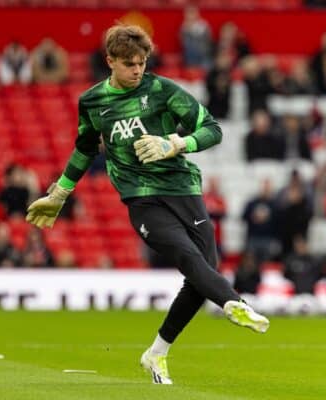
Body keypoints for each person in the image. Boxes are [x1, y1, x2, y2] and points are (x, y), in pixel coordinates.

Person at [24, 24, 269, 385]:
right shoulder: (93, 102)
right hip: (141, 197)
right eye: (129, 64)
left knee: (202, 278)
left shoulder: (161, 90)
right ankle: (234, 303)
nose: (137, 70)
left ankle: (156, 354)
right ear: (110, 61)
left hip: (183, 188)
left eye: (141, 63)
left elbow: (212, 128)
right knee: (189, 258)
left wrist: (176, 144)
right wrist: (61, 192)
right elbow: (85, 147)